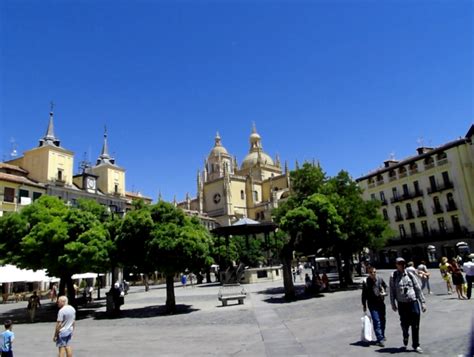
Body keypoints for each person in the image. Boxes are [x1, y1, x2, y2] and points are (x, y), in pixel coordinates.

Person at [390, 257, 426, 353]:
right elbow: (392, 291)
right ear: (396, 265)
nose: (402, 265)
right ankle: (405, 336)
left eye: (403, 263)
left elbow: (417, 288)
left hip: (413, 302)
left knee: (415, 325)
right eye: (399, 263)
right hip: (402, 304)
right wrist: (393, 303)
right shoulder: (393, 276)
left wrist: (423, 302)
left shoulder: (410, 274)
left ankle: (416, 345)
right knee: (405, 324)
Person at [362, 266, 387, 347]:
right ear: (368, 273)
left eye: (374, 272)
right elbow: (364, 294)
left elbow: (385, 286)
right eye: (371, 273)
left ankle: (382, 335)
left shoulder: (379, 278)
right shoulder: (366, 281)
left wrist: (384, 292)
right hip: (372, 304)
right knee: (376, 321)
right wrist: (364, 305)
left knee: (382, 319)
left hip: (380, 302)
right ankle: (380, 339)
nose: (373, 274)